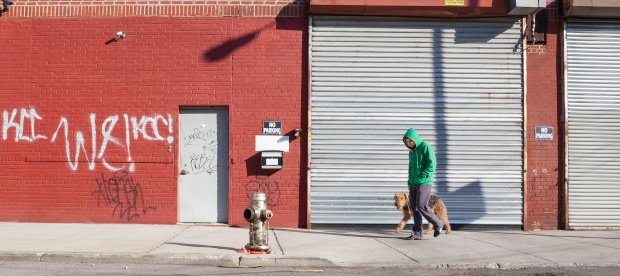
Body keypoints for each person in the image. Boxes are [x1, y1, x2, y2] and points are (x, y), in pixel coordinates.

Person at [403, 128, 444, 240]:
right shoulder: (411, 152)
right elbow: (411, 168)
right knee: (414, 208)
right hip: (413, 184)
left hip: (424, 182)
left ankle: (438, 223)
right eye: (406, 142)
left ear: (415, 139)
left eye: (410, 141)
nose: (409, 144)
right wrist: (409, 181)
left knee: (421, 206)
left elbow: (432, 163)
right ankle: (417, 233)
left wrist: (422, 176)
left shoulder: (425, 146)